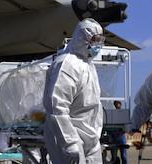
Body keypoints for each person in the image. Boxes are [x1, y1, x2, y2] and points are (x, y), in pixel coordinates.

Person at [43, 18, 105, 164]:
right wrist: (69, 142)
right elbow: (56, 106)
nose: (98, 45)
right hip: (69, 133)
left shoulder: (88, 65)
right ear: (84, 38)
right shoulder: (67, 64)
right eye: (95, 40)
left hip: (90, 134)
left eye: (101, 40)